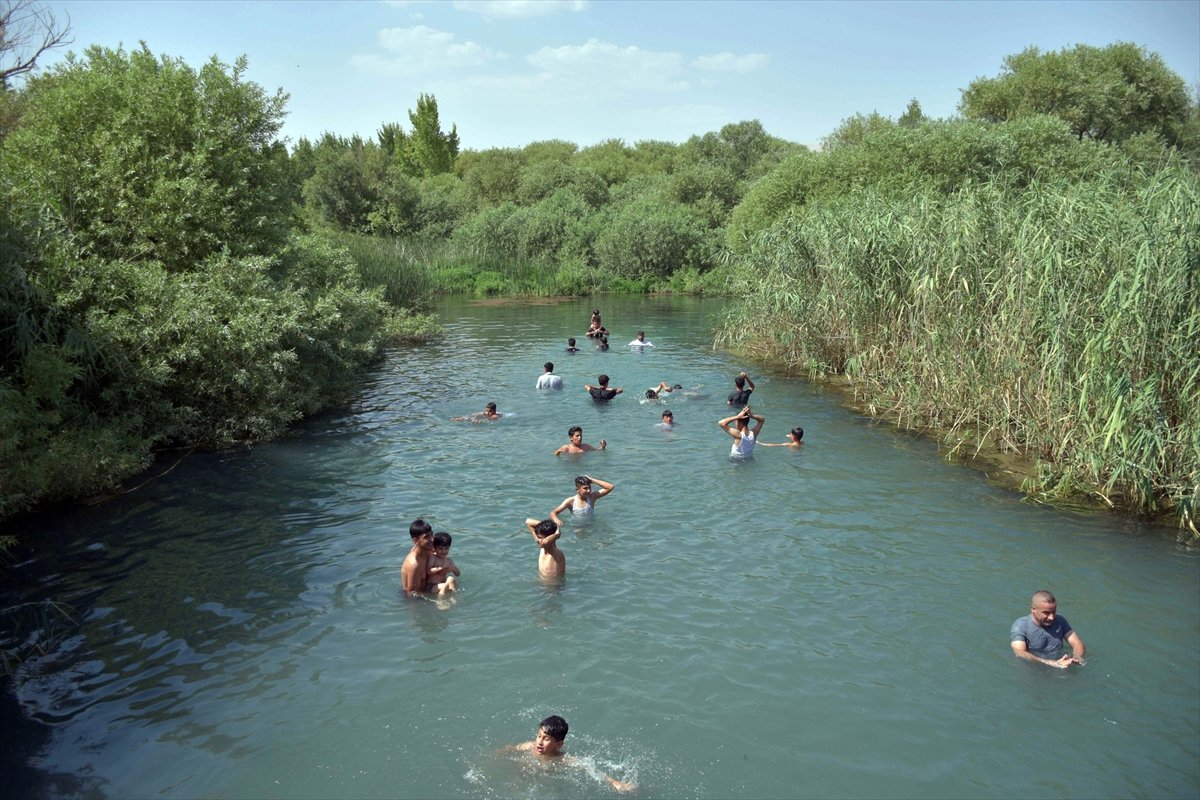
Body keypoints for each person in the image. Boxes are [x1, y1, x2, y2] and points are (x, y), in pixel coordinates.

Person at [502, 715, 635, 792]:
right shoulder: (530, 746)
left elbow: (589, 768)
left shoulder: (562, 760)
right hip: (523, 776)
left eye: (546, 739)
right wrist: (502, 751)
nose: (539, 742)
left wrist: (615, 782)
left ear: (559, 744)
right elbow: (512, 748)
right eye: (539, 736)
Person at [1010, 590, 1086, 668]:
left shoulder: (1060, 620)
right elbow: (1019, 652)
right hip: (1034, 668)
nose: (1051, 617)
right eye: (1046, 613)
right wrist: (1051, 663)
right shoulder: (1021, 625)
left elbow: (1076, 642)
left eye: (1053, 612)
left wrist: (1077, 657)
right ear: (1033, 609)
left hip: (1060, 663)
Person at [550, 475, 615, 525]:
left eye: (590, 487)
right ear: (577, 489)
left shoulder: (592, 497)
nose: (588, 490)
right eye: (585, 488)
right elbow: (553, 513)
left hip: (591, 525)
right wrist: (556, 520)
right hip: (577, 526)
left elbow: (610, 487)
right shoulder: (571, 501)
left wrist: (592, 480)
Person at [401, 518, 434, 595]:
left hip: (425, 591)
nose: (432, 539)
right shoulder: (414, 564)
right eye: (426, 537)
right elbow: (411, 595)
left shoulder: (427, 551)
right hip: (414, 599)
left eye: (432, 534)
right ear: (415, 541)